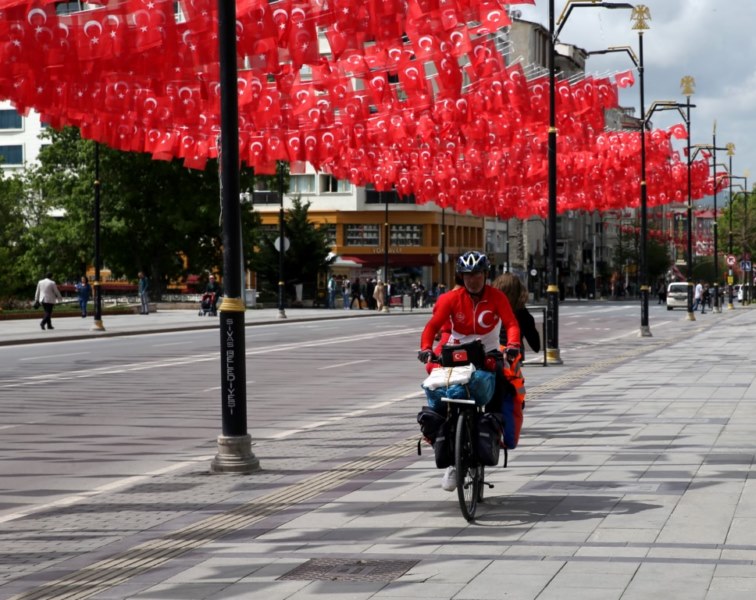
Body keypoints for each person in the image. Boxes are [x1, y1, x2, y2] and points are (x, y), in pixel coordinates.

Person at [417, 251, 520, 492]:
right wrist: (426, 348)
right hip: (457, 352)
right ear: (461, 276)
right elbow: (432, 326)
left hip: (489, 354)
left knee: (501, 392)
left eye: (476, 274)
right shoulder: (450, 299)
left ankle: (493, 436)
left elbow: (511, 323)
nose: (472, 279)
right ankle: (451, 459)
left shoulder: (497, 297)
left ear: (485, 275)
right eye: (467, 275)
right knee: (443, 397)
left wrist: (513, 346)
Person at [492, 272, 540, 361]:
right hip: (513, 357)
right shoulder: (522, 313)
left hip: (491, 355)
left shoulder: (489, 309)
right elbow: (536, 345)